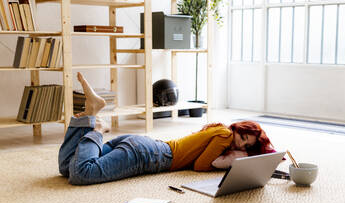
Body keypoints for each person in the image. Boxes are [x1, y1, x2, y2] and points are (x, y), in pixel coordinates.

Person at [58, 73, 276, 185]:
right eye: (244, 137)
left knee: (67, 167)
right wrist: (233, 156)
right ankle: (95, 126)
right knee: (82, 174)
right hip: (149, 156)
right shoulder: (225, 135)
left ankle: (86, 117)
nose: (241, 143)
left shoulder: (218, 128)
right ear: (238, 128)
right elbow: (200, 166)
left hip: (142, 146)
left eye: (247, 145)